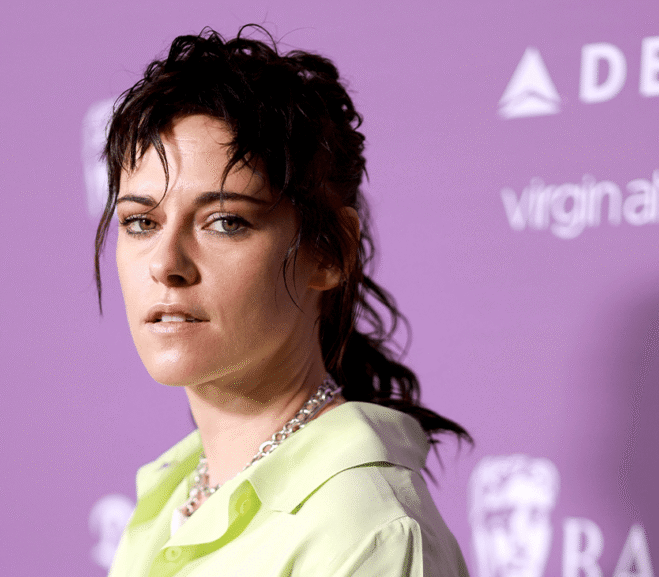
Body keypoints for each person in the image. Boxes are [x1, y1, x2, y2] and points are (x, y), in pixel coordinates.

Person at [93, 25, 471, 577]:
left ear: (330, 252)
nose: (165, 263)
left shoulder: (366, 535)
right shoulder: (169, 496)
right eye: (141, 222)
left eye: (226, 221)